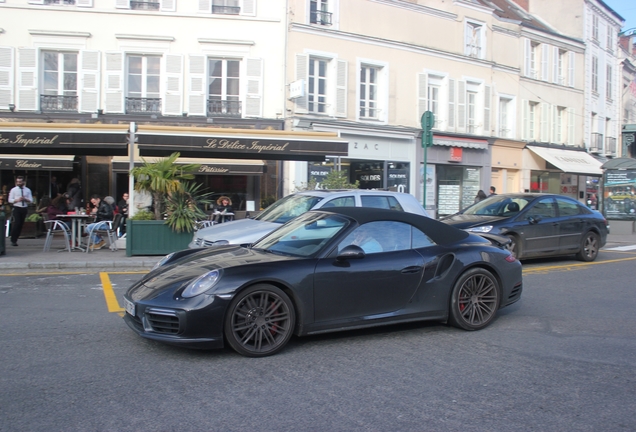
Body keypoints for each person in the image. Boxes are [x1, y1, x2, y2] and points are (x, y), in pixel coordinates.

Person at [8, 176, 33, 246]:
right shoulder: (13, 190)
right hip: (17, 207)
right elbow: (10, 200)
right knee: (17, 223)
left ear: (23, 182)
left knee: (21, 224)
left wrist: (25, 199)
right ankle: (13, 239)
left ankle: (16, 239)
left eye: (20, 182)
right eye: (17, 182)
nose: (19, 183)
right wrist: (17, 200)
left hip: (24, 208)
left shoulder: (27, 190)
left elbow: (31, 200)